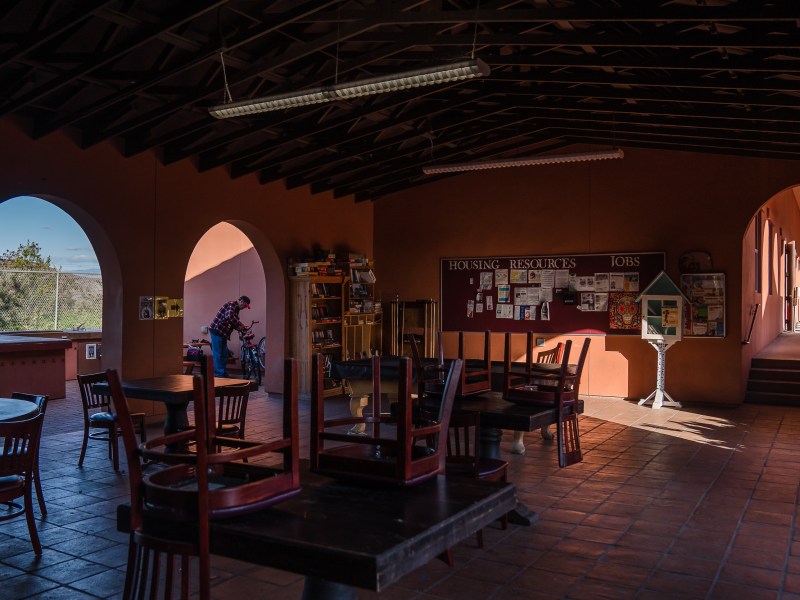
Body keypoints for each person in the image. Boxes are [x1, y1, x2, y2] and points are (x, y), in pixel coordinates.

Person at [208, 295, 251, 377]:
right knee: (218, 353)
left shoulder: (236, 309)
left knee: (224, 354)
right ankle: (219, 374)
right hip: (217, 331)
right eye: (245, 306)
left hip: (223, 333)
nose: (244, 308)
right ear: (241, 301)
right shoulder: (232, 304)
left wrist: (240, 328)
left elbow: (231, 322)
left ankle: (222, 372)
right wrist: (240, 325)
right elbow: (229, 317)